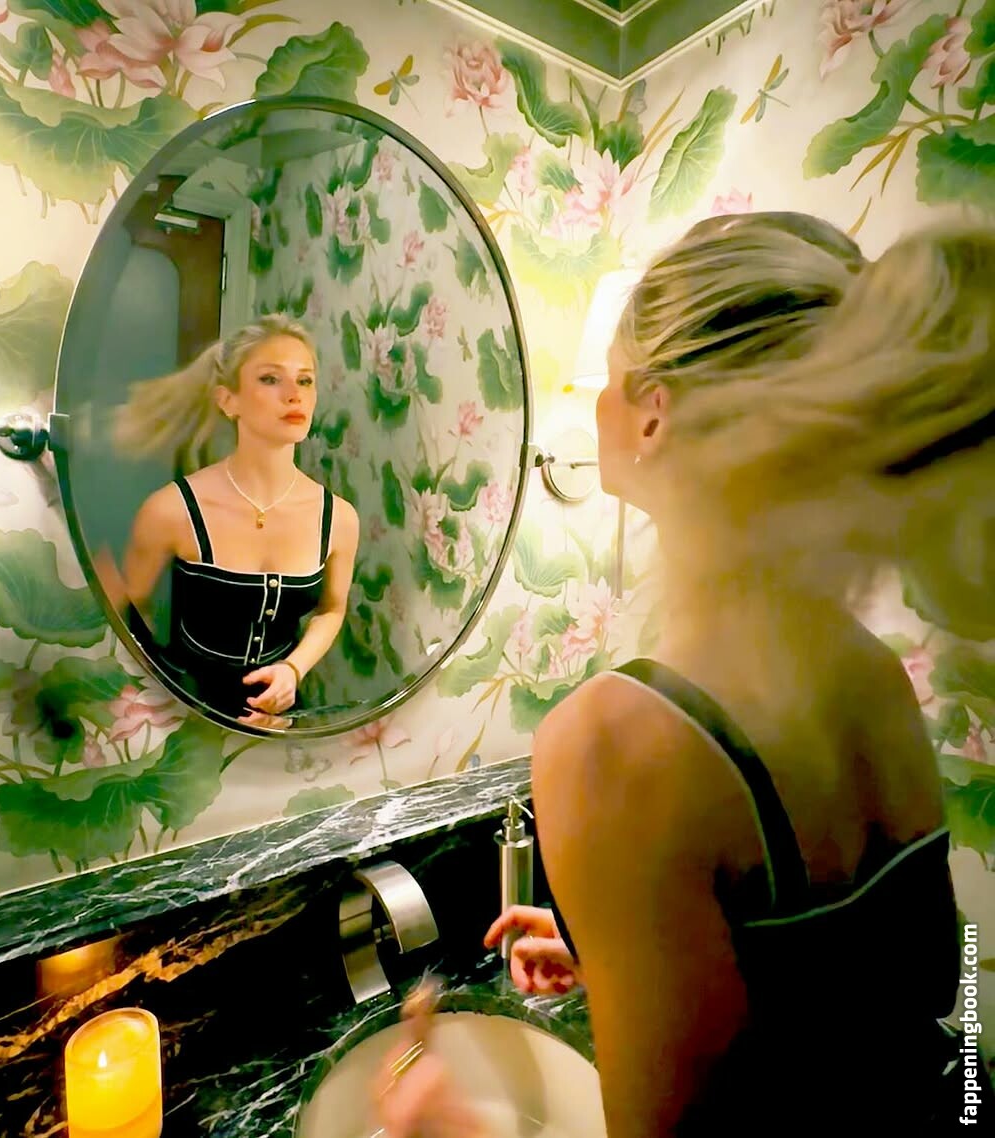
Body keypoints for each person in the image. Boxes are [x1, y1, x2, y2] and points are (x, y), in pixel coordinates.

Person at [372, 214, 995, 1135]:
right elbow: (920, 984)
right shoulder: (872, 672)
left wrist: (444, 1124)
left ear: (653, 411)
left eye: (610, 378)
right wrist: (640, 963)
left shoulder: (615, 745)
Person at [114, 314, 359, 728]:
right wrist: (164, 696)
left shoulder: (339, 518)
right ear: (229, 400)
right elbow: (127, 613)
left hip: (281, 717)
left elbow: (331, 609)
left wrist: (293, 670)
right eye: (270, 379)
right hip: (182, 708)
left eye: (305, 381)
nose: (294, 396)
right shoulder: (171, 510)